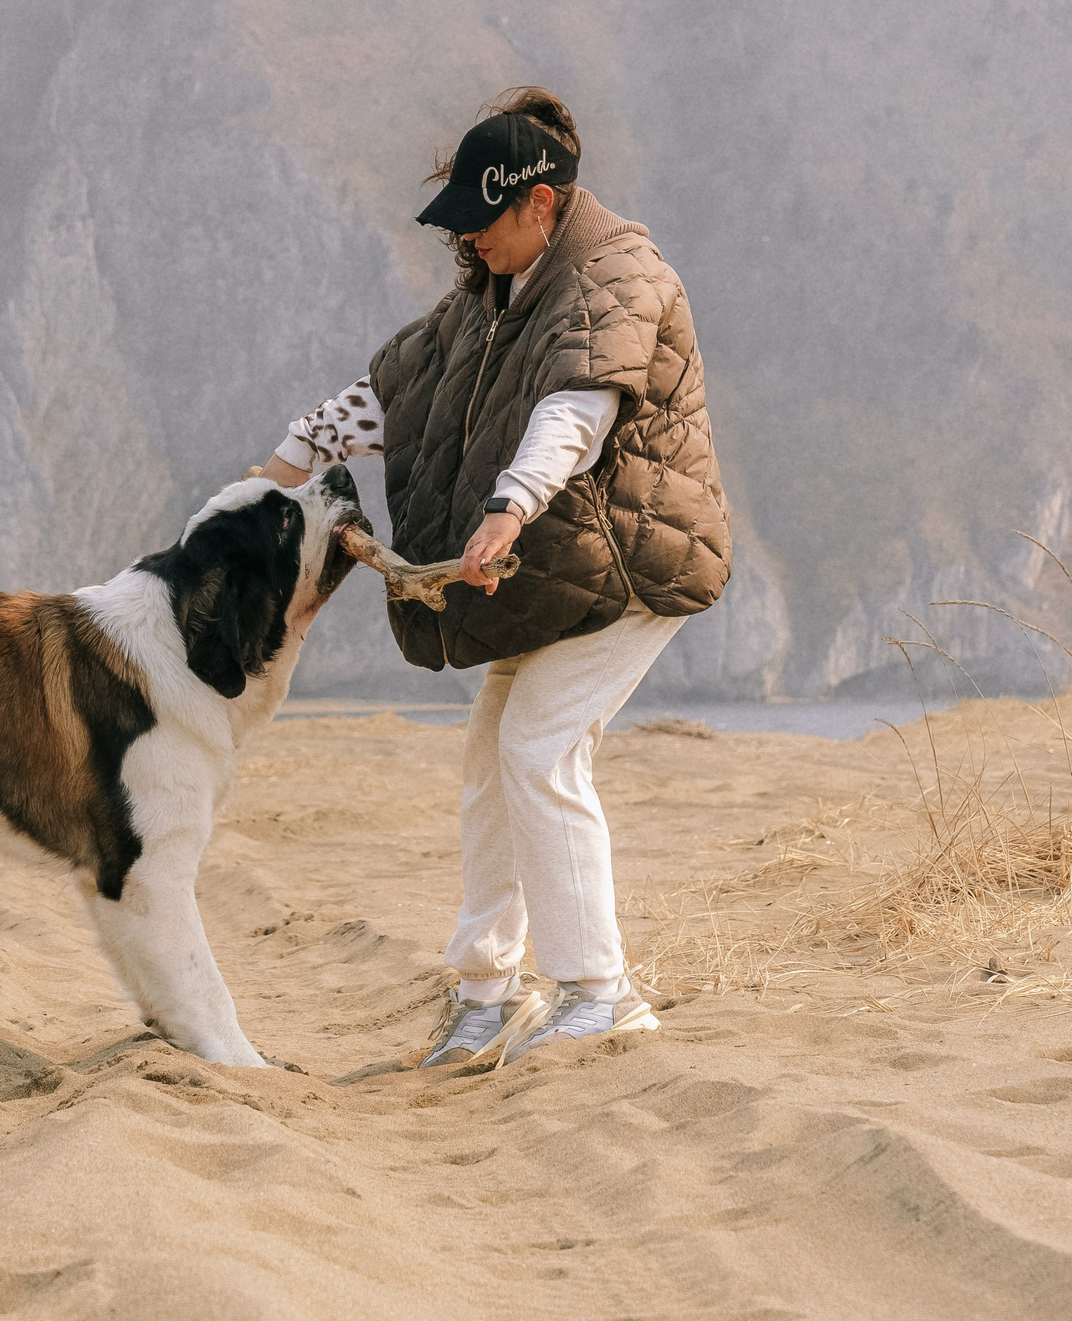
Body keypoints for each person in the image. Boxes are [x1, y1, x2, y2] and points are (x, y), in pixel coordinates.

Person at [261, 87, 731, 1066]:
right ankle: (486, 993)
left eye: (482, 225)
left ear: (542, 206)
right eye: (461, 231)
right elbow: (398, 392)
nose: (468, 244)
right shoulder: (487, 299)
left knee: (538, 748)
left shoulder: (619, 279)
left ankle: (600, 994)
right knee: (493, 763)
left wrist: (510, 505)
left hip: (631, 567)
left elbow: (577, 412)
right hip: (561, 577)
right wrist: (293, 456)